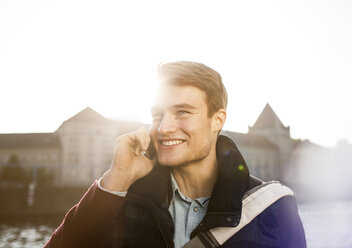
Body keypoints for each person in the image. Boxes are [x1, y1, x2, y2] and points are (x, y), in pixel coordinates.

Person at [44, 61, 306, 248]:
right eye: (157, 114)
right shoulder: (123, 200)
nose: (164, 127)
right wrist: (117, 178)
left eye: (182, 112)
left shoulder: (273, 208)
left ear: (217, 120)